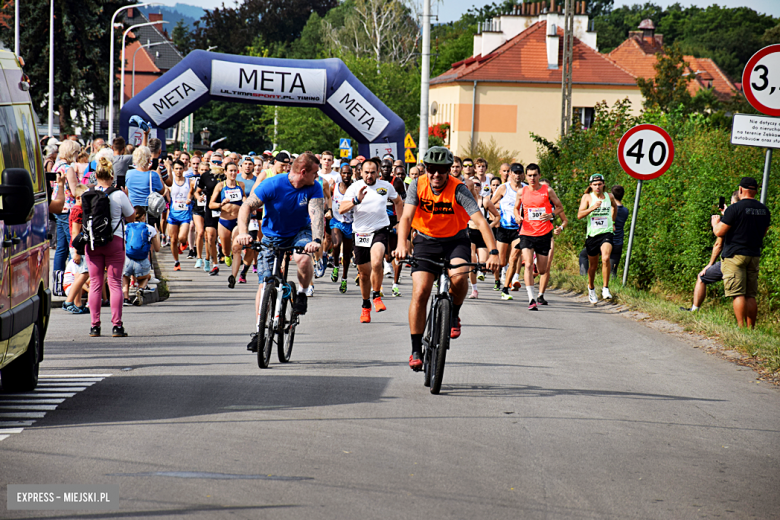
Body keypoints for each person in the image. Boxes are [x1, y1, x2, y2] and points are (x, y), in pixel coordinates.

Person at [394, 146, 499, 370]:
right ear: (426, 169)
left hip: (455, 240)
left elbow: (481, 222)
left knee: (460, 276)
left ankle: (454, 314)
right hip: (425, 240)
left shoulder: (459, 189)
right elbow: (407, 217)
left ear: (449, 170)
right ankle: (415, 349)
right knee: (421, 290)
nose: (436, 175)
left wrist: (494, 252)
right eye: (431, 169)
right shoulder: (417, 184)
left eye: (442, 170)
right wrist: (402, 243)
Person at [235, 152, 324, 350]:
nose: (317, 177)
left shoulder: (313, 187)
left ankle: (301, 293)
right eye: (315, 173)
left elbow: (317, 215)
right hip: (272, 235)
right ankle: (259, 332)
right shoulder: (273, 184)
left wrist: (316, 240)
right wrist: (243, 232)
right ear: (303, 172)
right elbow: (246, 207)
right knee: (264, 284)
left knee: (302, 257)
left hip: (300, 232)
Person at [339, 157, 403, 323]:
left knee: (376, 262)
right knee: (364, 274)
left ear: (378, 172)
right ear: (360, 172)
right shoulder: (354, 187)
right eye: (366, 172)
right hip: (360, 233)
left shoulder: (385, 187)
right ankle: (366, 305)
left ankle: (377, 296)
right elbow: (341, 209)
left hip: (380, 230)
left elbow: (398, 201)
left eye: (373, 172)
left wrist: (400, 223)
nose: (369, 175)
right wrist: (355, 201)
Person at [85, 158, 135, 337]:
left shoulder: (88, 193)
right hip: (114, 240)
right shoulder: (119, 194)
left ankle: (94, 326)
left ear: (96, 175)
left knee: (96, 284)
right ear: (112, 175)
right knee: (114, 284)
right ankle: (117, 326)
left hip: (93, 242)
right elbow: (131, 217)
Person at [711, 177, 771, 328]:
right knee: (750, 294)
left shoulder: (734, 208)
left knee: (738, 293)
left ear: (740, 190)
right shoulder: (764, 210)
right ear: (756, 191)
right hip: (754, 254)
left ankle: (741, 328)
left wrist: (715, 223)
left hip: (735, 255)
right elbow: (763, 233)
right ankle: (751, 328)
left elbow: (719, 231)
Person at [513, 163, 568, 310]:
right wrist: (518, 216)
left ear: (539, 175)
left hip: (544, 233)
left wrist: (551, 214)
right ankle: (531, 298)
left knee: (542, 270)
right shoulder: (521, 192)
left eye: (535, 175)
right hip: (526, 233)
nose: (532, 178)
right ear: (526, 176)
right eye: (529, 175)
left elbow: (560, 207)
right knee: (529, 264)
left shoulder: (547, 190)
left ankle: (537, 267)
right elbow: (516, 208)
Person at [683, 191, 740, 312]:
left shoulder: (728, 221)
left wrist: (716, 225)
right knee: (746, 292)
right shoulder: (746, 218)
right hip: (749, 258)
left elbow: (718, 244)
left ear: (733, 203)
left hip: (730, 259)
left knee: (702, 277)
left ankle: (695, 309)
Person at [577, 173, 617, 303]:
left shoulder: (609, 196)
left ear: (604, 184)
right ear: (591, 186)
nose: (597, 187)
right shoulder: (587, 197)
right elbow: (579, 215)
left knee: (605, 258)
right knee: (593, 266)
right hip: (593, 234)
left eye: (599, 184)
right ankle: (591, 288)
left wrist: (613, 221)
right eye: (595, 185)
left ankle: (605, 288)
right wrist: (592, 208)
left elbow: (614, 207)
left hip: (606, 232)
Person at [490, 163, 525, 299]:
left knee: (514, 257)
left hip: (519, 229)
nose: (517, 175)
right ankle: (502, 276)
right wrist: (496, 219)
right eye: (514, 173)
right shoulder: (503, 188)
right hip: (503, 228)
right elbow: (490, 204)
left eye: (519, 173)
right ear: (510, 174)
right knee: (501, 262)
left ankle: (505, 288)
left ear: (522, 174)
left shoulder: (526, 189)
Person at [210, 163, 246, 287]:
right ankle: (226, 254)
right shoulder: (221, 186)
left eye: (235, 171)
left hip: (237, 221)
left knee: (236, 249)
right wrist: (221, 204)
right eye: (230, 171)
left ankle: (233, 277)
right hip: (224, 221)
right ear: (225, 172)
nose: (233, 173)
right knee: (226, 250)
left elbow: (245, 198)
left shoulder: (241, 185)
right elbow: (211, 204)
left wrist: (246, 202)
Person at [50, 140, 81, 273]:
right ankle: (72, 278)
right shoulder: (69, 168)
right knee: (72, 245)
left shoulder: (56, 166)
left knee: (61, 247)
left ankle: (58, 280)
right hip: (68, 208)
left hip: (58, 206)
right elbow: (75, 192)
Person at [123, 206, 161, 306]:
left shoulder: (126, 227)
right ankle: (141, 289)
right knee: (145, 277)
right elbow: (157, 248)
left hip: (128, 259)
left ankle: (126, 298)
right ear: (144, 216)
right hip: (142, 260)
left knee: (125, 276)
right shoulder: (150, 228)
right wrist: (157, 234)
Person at [61, 185, 89, 314]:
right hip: (78, 247)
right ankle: (69, 301)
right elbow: (75, 232)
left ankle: (77, 303)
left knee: (79, 274)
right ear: (78, 198)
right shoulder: (78, 211)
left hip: (78, 247)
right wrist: (77, 252)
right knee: (83, 275)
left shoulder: (78, 209)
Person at [125, 146, 166, 231]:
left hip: (132, 209)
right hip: (148, 211)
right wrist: (158, 175)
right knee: (149, 236)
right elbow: (162, 191)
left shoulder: (129, 173)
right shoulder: (153, 175)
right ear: (148, 159)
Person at [329, 163, 355, 294]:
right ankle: (335, 266)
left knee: (346, 254)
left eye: (348, 173)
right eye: (344, 173)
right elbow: (328, 197)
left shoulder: (355, 188)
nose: (346, 175)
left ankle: (344, 279)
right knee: (336, 244)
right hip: (336, 221)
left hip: (350, 224)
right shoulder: (335, 186)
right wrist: (328, 210)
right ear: (340, 174)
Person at [197, 165, 226, 275]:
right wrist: (199, 197)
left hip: (225, 209)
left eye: (219, 161)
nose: (217, 164)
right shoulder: (206, 175)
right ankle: (214, 263)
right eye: (214, 161)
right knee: (210, 236)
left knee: (223, 237)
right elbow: (197, 191)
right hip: (211, 208)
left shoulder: (227, 175)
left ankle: (225, 254)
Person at [166, 160, 193, 272]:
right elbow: (166, 194)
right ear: (173, 170)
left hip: (185, 214)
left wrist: (189, 199)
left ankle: (184, 242)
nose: (178, 171)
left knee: (181, 238)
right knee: (173, 240)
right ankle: (176, 262)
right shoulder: (170, 182)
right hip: (173, 214)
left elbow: (192, 193)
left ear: (184, 169)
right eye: (176, 169)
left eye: (180, 168)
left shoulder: (189, 181)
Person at [188, 160, 210, 269]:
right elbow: (192, 192)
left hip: (209, 210)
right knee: (200, 232)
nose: (204, 172)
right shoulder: (194, 181)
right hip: (198, 209)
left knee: (208, 235)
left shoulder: (212, 181)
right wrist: (192, 198)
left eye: (206, 170)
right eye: (202, 170)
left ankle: (207, 259)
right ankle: (199, 258)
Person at [609, 185, 630, 277]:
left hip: (608, 240)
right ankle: (612, 286)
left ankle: (584, 277)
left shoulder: (609, 209)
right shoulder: (625, 211)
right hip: (618, 241)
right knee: (612, 270)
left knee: (584, 255)